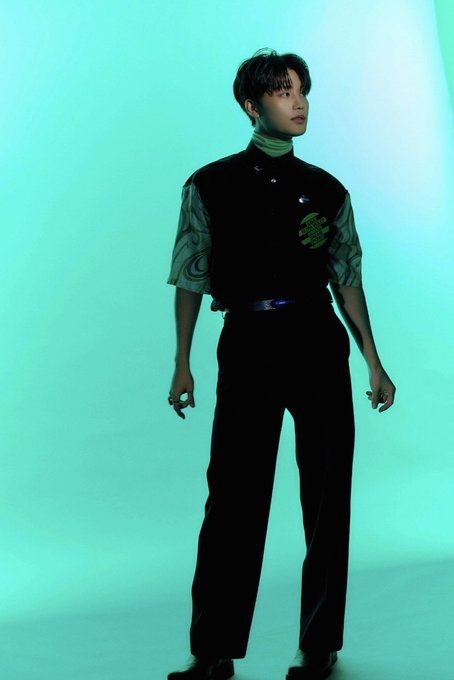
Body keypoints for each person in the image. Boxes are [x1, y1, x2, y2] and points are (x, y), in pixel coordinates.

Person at [166, 48, 396, 680]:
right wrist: (182, 361)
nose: (298, 103)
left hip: (316, 340)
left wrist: (374, 361)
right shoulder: (209, 184)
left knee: (327, 494)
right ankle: (213, 650)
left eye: (302, 91)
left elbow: (347, 278)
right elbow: (190, 273)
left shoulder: (327, 189)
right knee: (233, 497)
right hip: (247, 340)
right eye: (282, 91)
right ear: (251, 105)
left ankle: (319, 644)